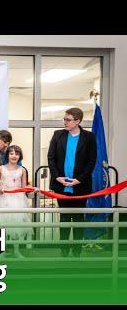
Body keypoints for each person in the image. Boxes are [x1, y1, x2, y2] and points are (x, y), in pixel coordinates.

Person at [47, 107, 97, 258]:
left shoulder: (89, 137)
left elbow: (91, 161)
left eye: (68, 120)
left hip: (80, 185)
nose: (65, 122)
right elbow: (51, 158)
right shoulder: (58, 135)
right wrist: (57, 177)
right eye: (64, 119)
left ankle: (76, 250)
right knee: (64, 217)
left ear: (78, 121)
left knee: (78, 218)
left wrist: (79, 179)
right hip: (61, 185)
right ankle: (64, 249)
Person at [0, 145, 38, 258]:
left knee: (17, 225)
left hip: (18, 200)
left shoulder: (22, 170)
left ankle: (16, 251)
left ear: (20, 156)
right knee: (2, 226)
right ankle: (2, 252)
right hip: (2, 199)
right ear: (7, 155)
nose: (14, 156)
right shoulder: (1, 168)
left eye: (17, 154)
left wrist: (32, 189)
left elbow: (24, 186)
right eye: (11, 153)